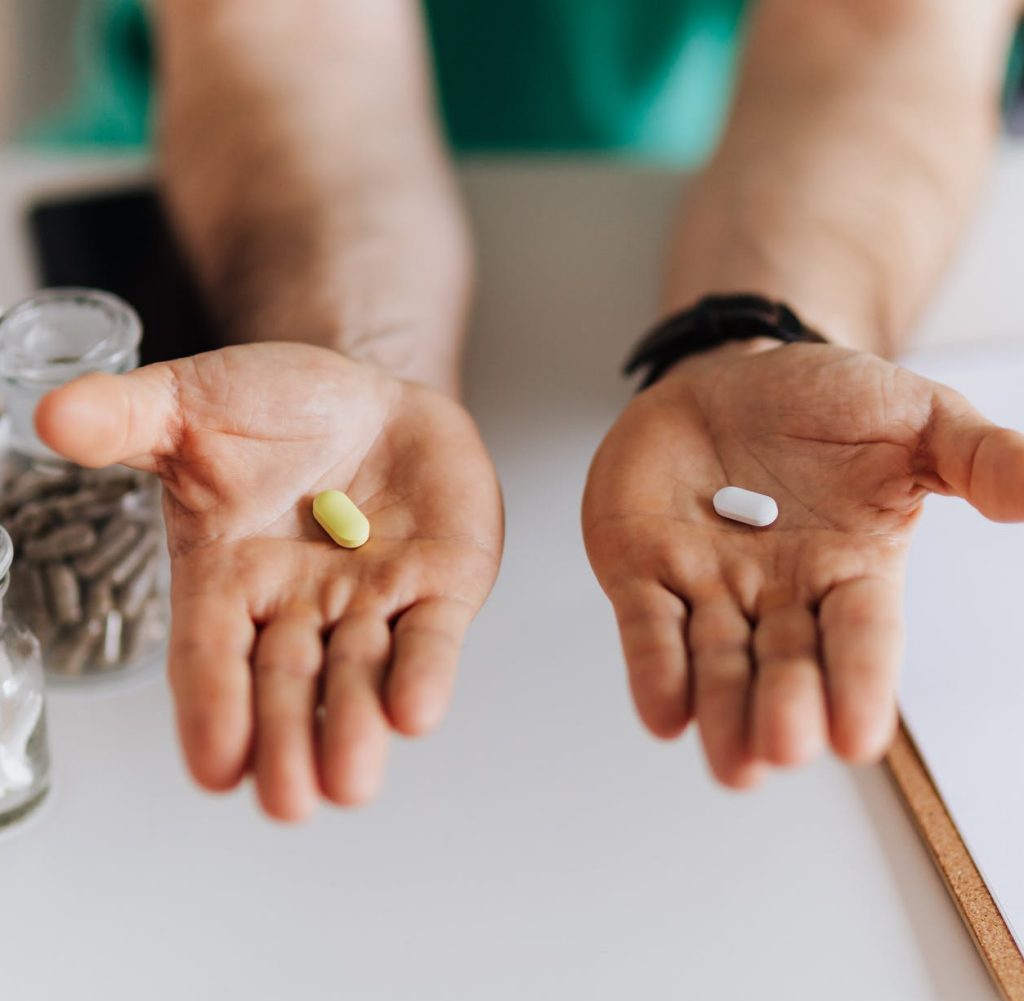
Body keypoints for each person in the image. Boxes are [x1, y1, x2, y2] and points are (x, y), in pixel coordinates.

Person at [28, 0, 1024, 819]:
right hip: (252, 151)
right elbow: (285, 30)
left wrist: (767, 334)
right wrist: (356, 353)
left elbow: (880, 33)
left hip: (685, 151)